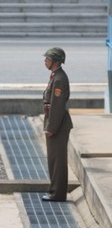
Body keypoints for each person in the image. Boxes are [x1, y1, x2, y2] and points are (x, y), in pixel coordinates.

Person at [42, 47, 73, 202]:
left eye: (47, 59)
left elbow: (57, 106)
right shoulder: (56, 76)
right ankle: (54, 192)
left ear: (56, 61)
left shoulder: (59, 79)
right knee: (54, 160)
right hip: (56, 124)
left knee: (58, 161)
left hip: (58, 126)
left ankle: (57, 194)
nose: (45, 61)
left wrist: (51, 128)